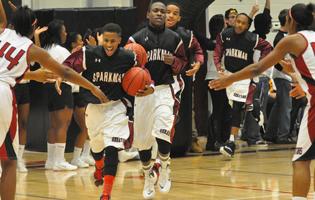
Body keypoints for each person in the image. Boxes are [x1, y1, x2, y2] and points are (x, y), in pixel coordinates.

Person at [0, 5, 106, 200]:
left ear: (12, 23)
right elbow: (65, 72)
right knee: (9, 162)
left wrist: (32, 75)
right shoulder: (31, 49)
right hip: (2, 95)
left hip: (7, 86)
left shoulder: (3, 31)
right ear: (34, 26)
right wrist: (92, 87)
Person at [209, 3, 315, 199]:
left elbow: (256, 69)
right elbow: (300, 66)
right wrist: (305, 83)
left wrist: (227, 79)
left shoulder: (292, 40)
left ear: (290, 20)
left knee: (301, 161)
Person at [63, 23, 136, 200]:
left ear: (120, 40)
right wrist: (59, 77)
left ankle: (106, 194)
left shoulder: (129, 57)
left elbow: (142, 76)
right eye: (106, 40)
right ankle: (98, 165)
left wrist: (147, 87)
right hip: (94, 107)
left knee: (112, 149)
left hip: (117, 107)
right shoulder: (89, 53)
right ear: (101, 38)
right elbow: (67, 66)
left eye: (113, 41)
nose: (109, 44)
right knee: (96, 147)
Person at [128, 1, 187, 199]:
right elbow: (126, 68)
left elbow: (183, 64)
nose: (160, 14)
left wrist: (175, 63)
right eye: (156, 11)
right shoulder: (135, 40)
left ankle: (166, 167)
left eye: (163, 11)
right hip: (143, 93)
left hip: (164, 90)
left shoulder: (175, 39)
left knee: (163, 131)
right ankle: (147, 175)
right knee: (143, 142)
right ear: (148, 14)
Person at [214, 12, 273, 158]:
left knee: (236, 108)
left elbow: (268, 47)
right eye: (238, 21)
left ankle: (231, 143)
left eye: (243, 23)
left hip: (243, 77)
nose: (239, 24)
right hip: (228, 75)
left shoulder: (252, 39)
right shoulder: (225, 34)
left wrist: (261, 63)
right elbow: (218, 50)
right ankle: (252, 104)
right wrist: (218, 65)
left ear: (248, 26)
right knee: (233, 105)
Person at [165, 2, 204, 153]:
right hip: (157, 81)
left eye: (175, 13)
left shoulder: (186, 35)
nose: (171, 15)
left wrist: (198, 63)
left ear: (180, 18)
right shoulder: (149, 33)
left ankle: (187, 141)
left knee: (181, 115)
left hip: (179, 80)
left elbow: (198, 50)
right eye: (168, 12)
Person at [40, 19, 78, 171]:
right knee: (63, 124)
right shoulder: (62, 51)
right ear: (58, 33)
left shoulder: (46, 50)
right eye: (64, 31)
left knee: (54, 125)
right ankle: (60, 160)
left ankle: (51, 160)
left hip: (48, 88)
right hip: (61, 87)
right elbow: (68, 72)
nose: (66, 33)